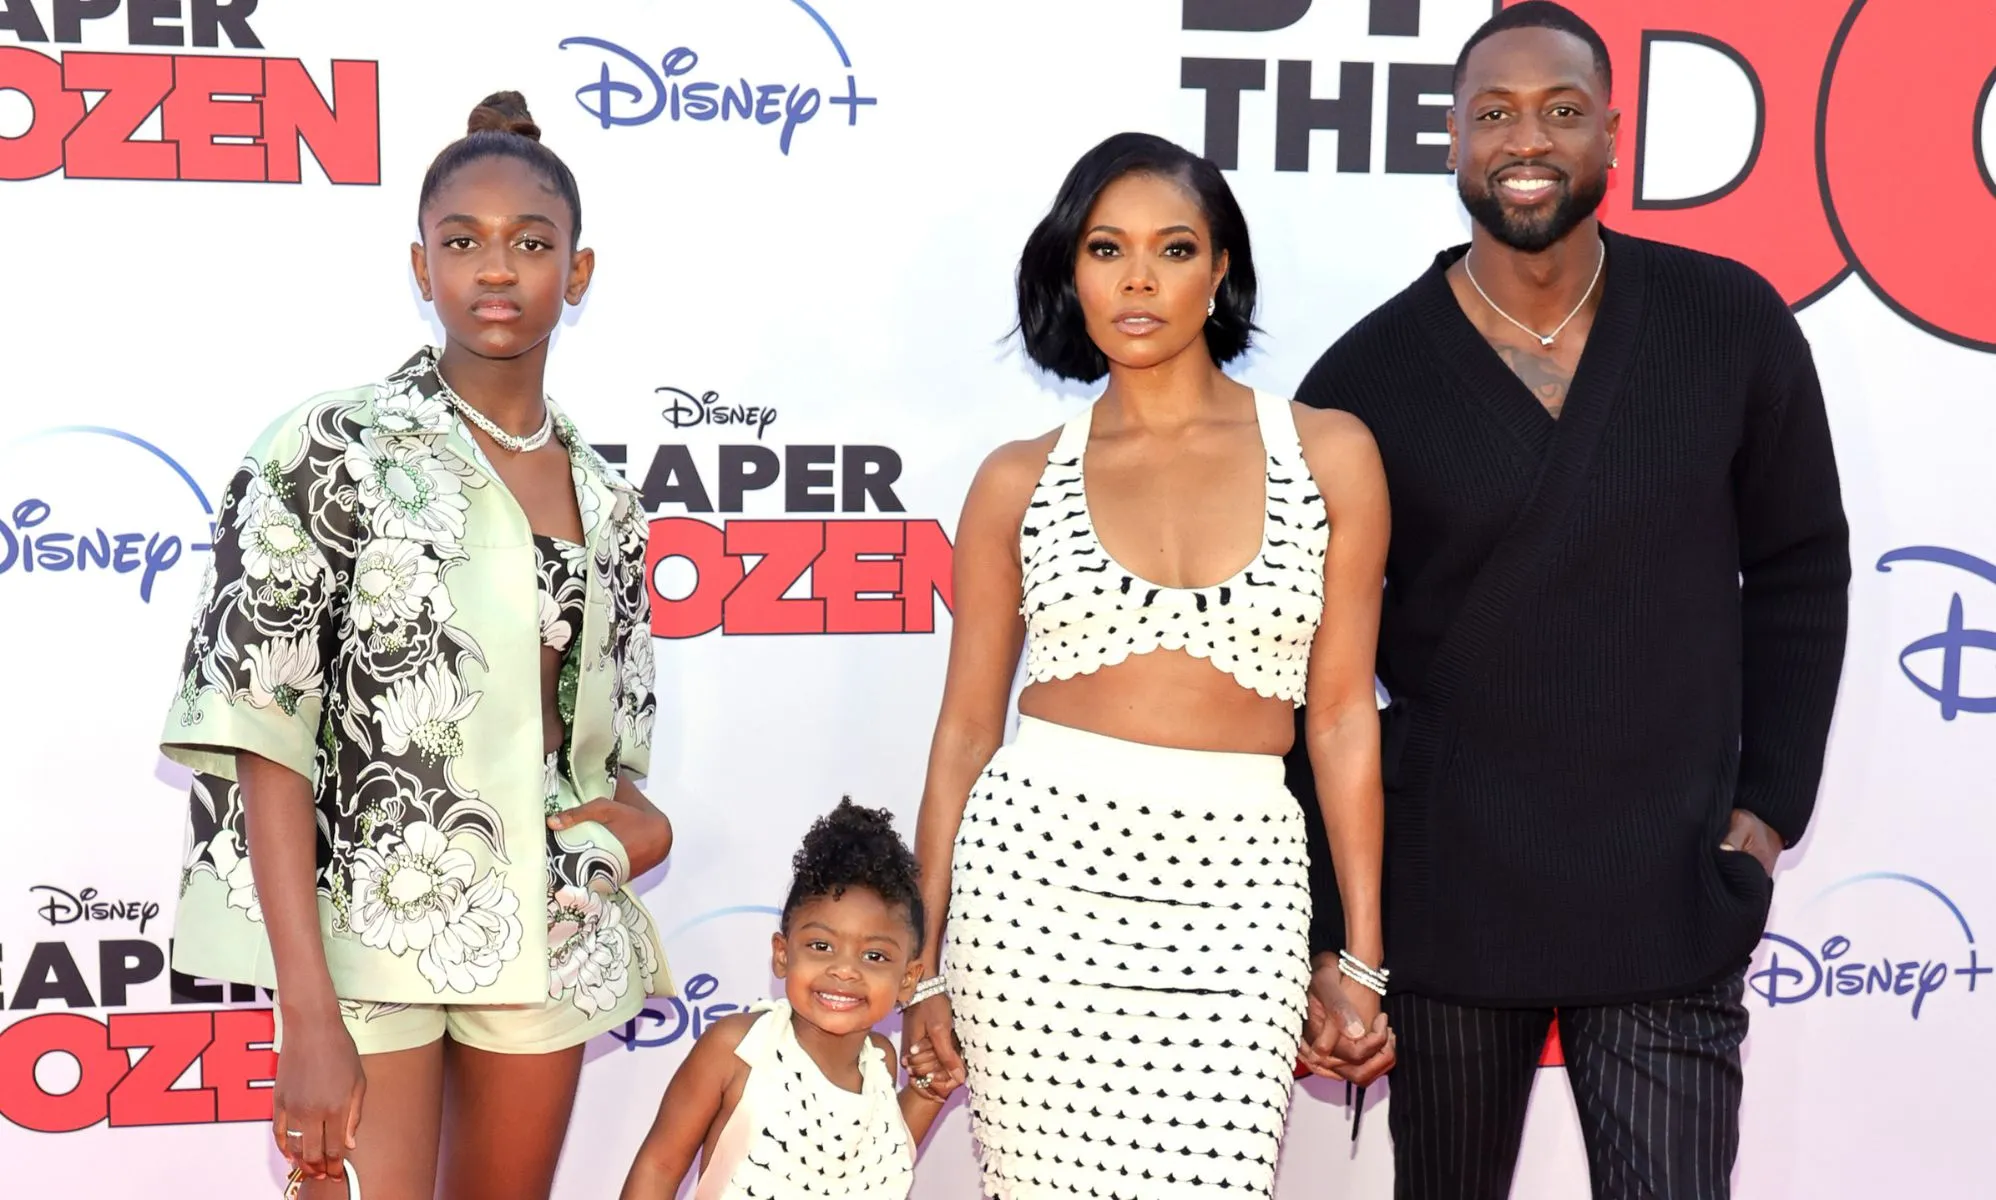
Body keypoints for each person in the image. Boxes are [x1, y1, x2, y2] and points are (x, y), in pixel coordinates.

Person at [1286, 4, 1852, 1197]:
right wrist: (1339, 926)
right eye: (1493, 113)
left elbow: (1799, 566)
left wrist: (1765, 810)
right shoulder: (1363, 380)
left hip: (1666, 890)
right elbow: (1301, 667)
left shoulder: (1727, 322)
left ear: (1611, 136)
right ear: (1452, 138)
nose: (1526, 139)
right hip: (1448, 899)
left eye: (1560, 109)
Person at [159, 91, 675, 1199]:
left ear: (577, 272)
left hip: (548, 925)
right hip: (362, 930)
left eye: (530, 244)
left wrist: (635, 823)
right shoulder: (328, 448)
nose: (497, 269)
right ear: (420, 264)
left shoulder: (609, 499)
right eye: (463, 242)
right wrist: (307, 1013)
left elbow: (609, 740)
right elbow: (263, 731)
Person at [900, 131, 1397, 1200]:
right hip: (1033, 892)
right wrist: (923, 957)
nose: (1136, 279)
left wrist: (1360, 953)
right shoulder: (1015, 480)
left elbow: (1343, 718)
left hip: (1241, 892)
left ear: (1220, 271)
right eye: (1104, 249)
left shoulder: (1330, 454)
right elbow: (966, 733)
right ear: (1069, 272)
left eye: (1172, 250)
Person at [621, 799, 955, 1199]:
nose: (845, 970)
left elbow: (876, 1169)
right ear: (782, 955)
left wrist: (929, 1089)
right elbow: (659, 1167)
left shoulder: (880, 1061)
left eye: (874, 956)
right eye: (821, 946)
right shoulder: (739, 1047)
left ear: (908, 979)